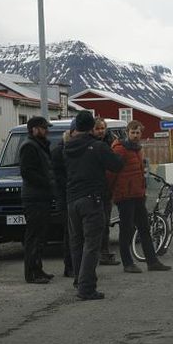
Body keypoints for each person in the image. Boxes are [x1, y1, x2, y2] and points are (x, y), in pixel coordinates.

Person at [64, 111, 124, 300]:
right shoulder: (97, 146)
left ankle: (78, 280)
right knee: (92, 244)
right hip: (92, 199)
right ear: (91, 127)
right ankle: (87, 288)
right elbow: (116, 165)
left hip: (72, 200)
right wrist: (113, 146)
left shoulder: (67, 147)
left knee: (77, 243)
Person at [108, 120, 170, 273]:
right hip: (125, 195)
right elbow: (111, 172)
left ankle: (152, 261)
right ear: (127, 133)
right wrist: (110, 192)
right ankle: (127, 263)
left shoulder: (137, 149)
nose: (135, 136)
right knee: (126, 230)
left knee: (144, 228)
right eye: (133, 133)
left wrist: (143, 190)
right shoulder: (120, 149)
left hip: (137, 194)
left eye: (138, 133)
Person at [19, 116, 55, 284]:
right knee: (33, 236)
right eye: (42, 127)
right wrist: (47, 183)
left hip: (42, 196)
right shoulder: (29, 146)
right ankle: (31, 273)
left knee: (41, 236)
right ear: (34, 129)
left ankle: (38, 269)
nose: (46, 130)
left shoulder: (40, 145)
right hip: (34, 197)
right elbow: (27, 172)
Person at [91, 117, 120, 266]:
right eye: (98, 128)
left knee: (105, 223)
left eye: (103, 128)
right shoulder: (90, 144)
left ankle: (104, 252)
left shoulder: (112, 142)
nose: (101, 131)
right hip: (93, 191)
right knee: (96, 225)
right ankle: (97, 254)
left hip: (106, 190)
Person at [51, 127, 74, 278]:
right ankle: (70, 266)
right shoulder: (59, 153)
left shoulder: (61, 151)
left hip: (69, 196)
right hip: (66, 197)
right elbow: (58, 178)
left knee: (72, 233)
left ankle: (73, 266)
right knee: (70, 233)